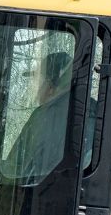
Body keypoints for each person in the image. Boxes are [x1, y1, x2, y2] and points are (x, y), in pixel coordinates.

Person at [4, 51, 74, 182]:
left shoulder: (45, 117)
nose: (33, 86)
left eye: (37, 79)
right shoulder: (90, 111)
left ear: (50, 85)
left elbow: (16, 168)